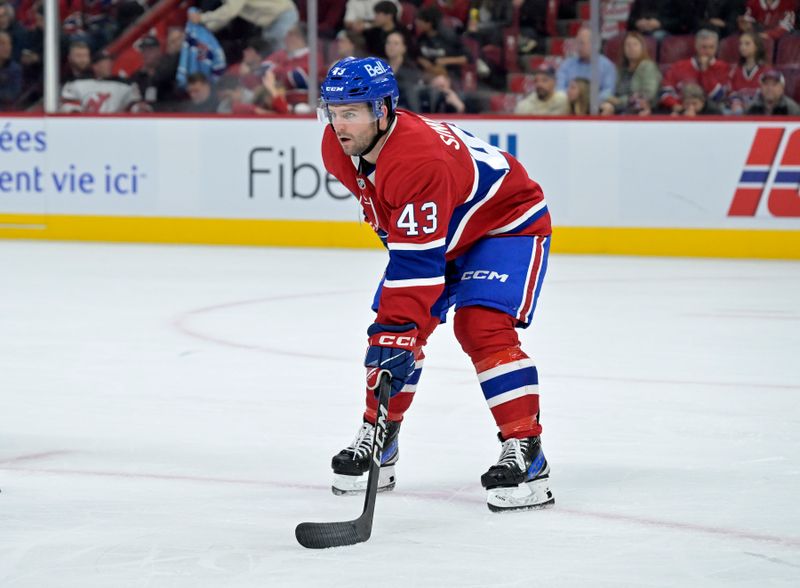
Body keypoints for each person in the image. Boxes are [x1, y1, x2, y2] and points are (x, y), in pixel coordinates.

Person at [319, 57, 554, 512]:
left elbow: (417, 262)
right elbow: (398, 225)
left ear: (383, 110)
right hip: (444, 228)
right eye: (332, 111)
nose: (338, 123)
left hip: (505, 225)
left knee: (479, 326)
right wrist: (400, 327)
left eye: (351, 112)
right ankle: (380, 437)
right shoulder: (336, 147)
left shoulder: (419, 159)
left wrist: (399, 326)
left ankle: (528, 452)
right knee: (396, 331)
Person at [659, 28, 730, 112]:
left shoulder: (722, 67)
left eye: (711, 47)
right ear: (696, 46)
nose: (707, 51)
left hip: (709, 111)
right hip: (682, 108)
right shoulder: (679, 66)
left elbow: (718, 97)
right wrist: (676, 104)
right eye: (704, 47)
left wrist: (705, 71)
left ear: (716, 48)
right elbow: (665, 92)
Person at [600, 30, 661, 115]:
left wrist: (620, 101)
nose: (631, 48)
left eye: (635, 44)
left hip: (640, 109)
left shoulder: (648, 66)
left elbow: (648, 94)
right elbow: (613, 91)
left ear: (642, 47)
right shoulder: (620, 69)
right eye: (628, 45)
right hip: (620, 108)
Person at [556, 26, 617, 102]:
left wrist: (588, 101)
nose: (578, 47)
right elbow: (559, 89)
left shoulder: (607, 66)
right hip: (569, 104)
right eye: (577, 43)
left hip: (596, 107)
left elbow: (608, 91)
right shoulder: (566, 64)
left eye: (581, 43)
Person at [728, 31, 767, 110]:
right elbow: (731, 92)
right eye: (741, 44)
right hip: (737, 112)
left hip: (760, 112)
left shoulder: (766, 71)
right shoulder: (734, 70)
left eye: (747, 43)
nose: (742, 47)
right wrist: (737, 104)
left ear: (757, 46)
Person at [0, 30, 21, 109]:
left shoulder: (15, 69)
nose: (7, 47)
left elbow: (12, 94)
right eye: (2, 44)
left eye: (9, 44)